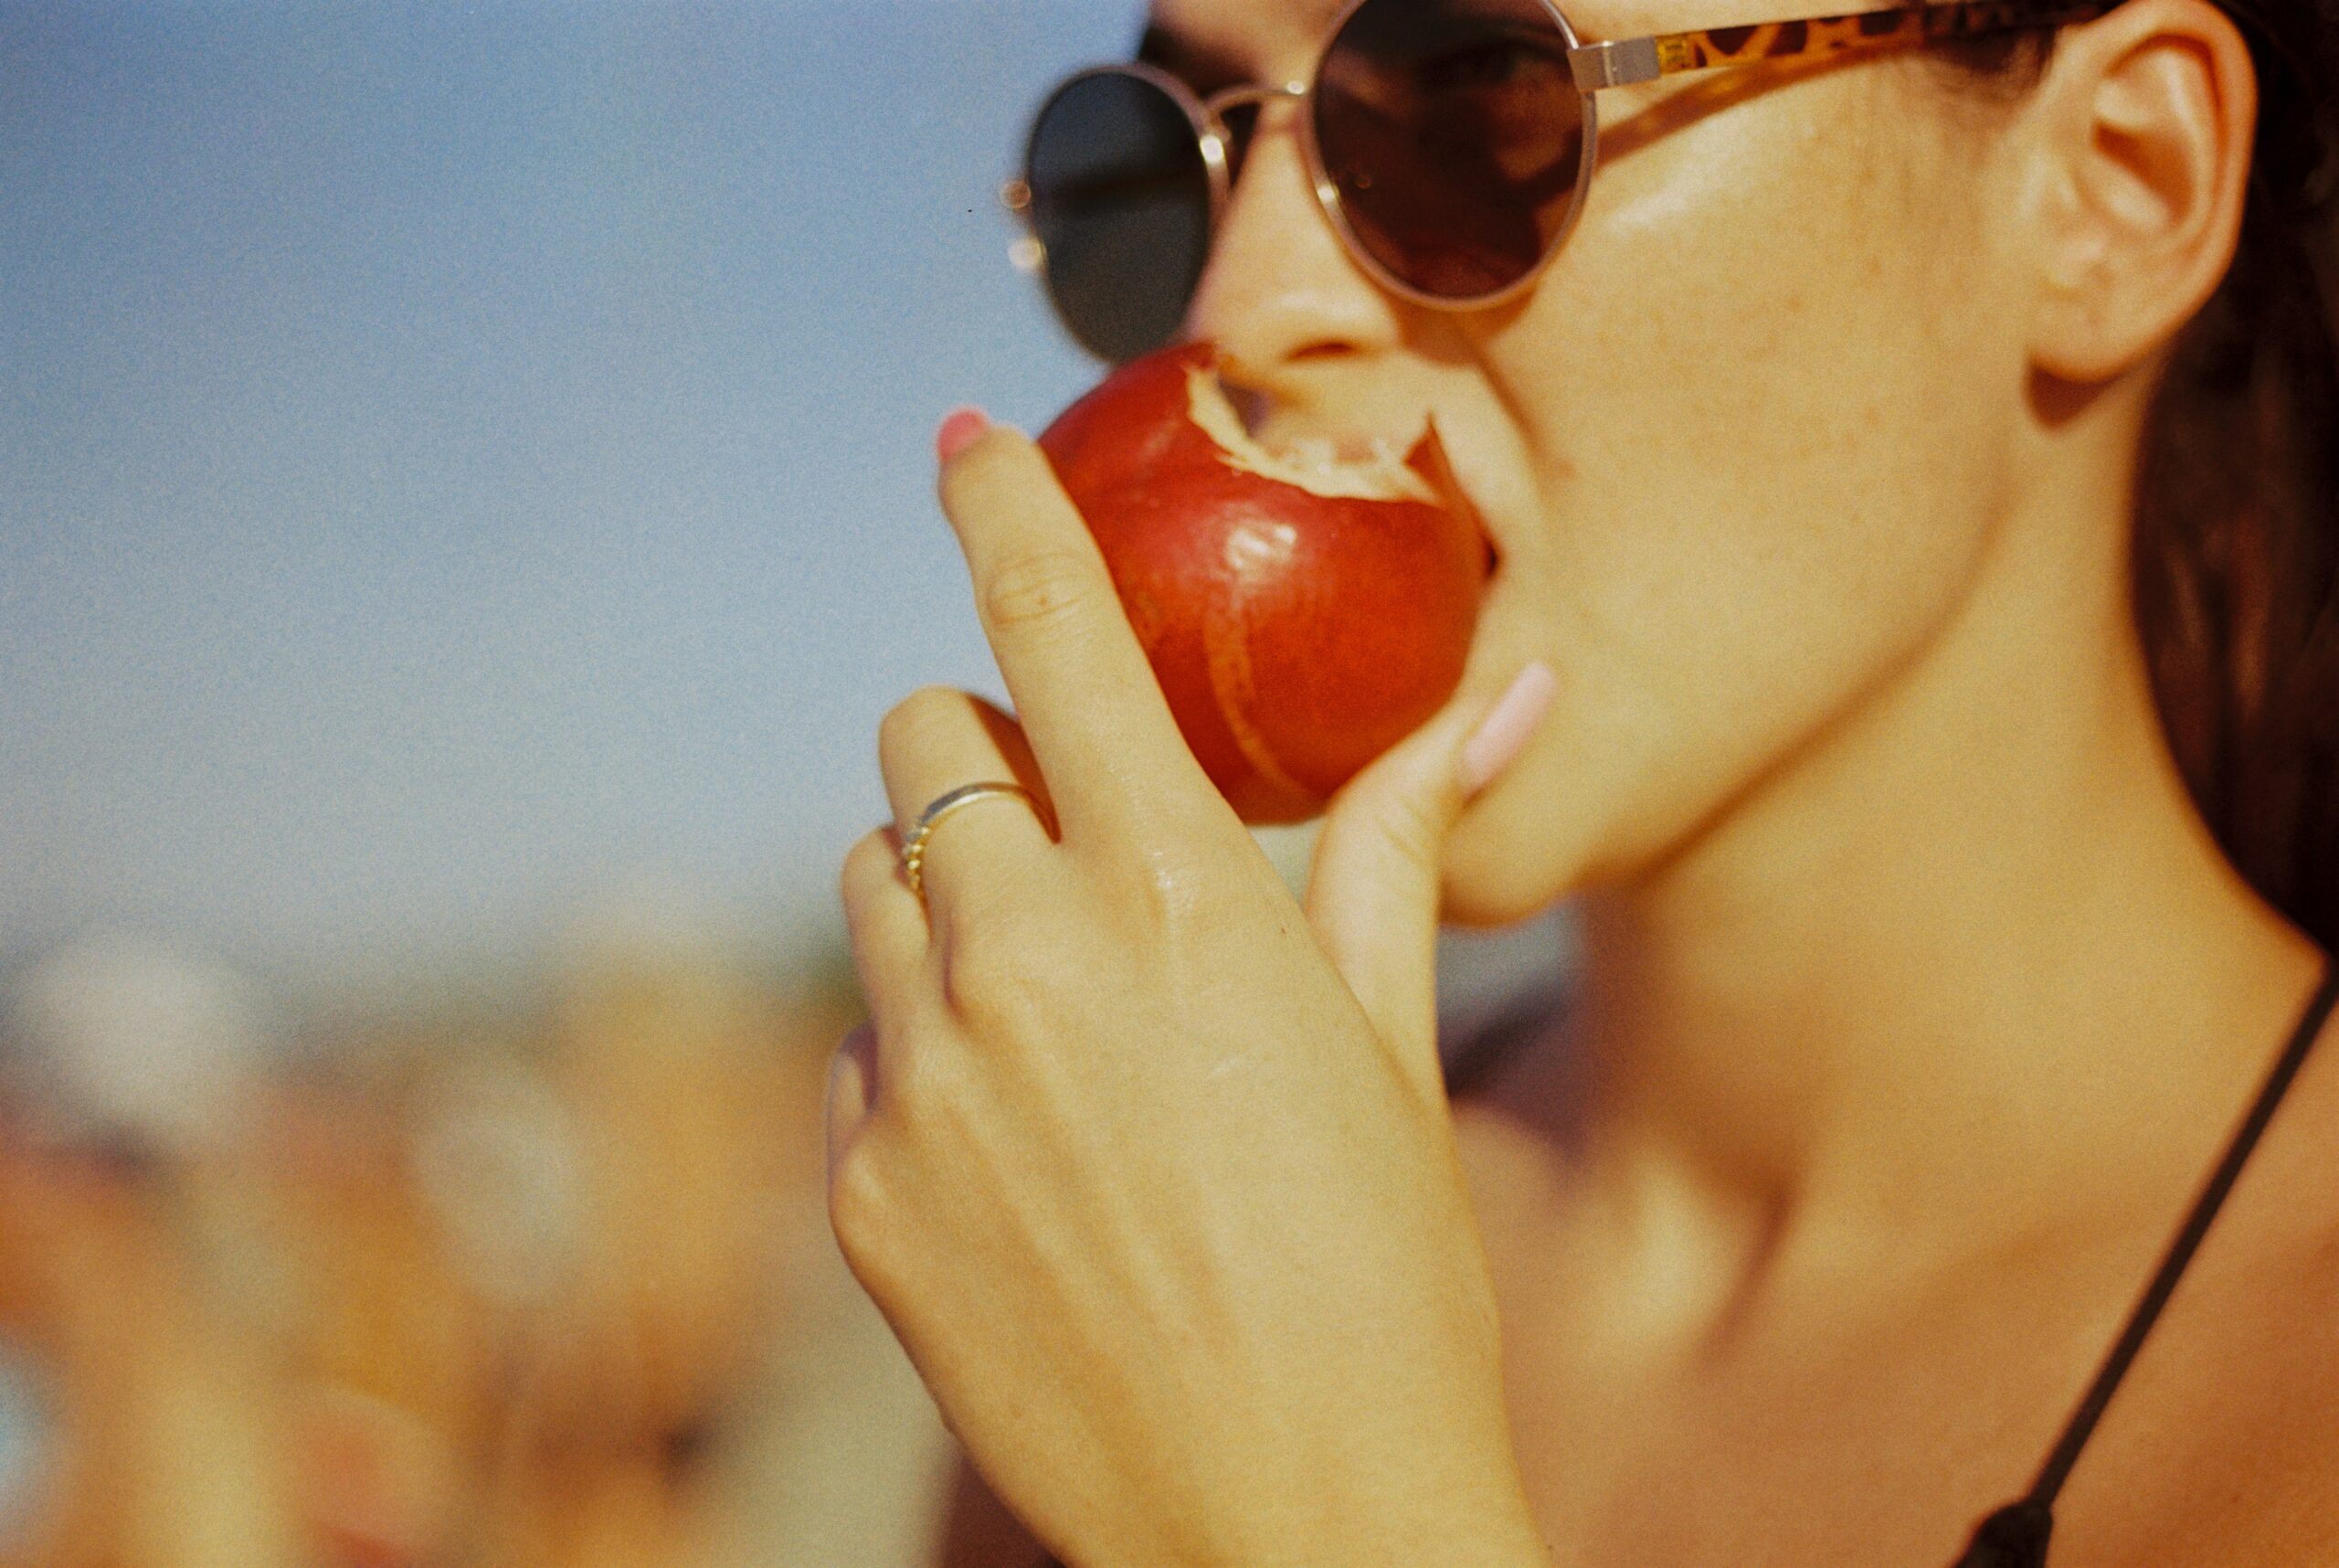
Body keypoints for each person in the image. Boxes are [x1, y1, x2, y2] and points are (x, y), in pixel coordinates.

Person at [829, 0, 2339, 1562]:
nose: (1242, 303)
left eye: (1476, 102)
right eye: (1166, 161)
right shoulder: (1140, 1264)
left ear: (2117, 186)